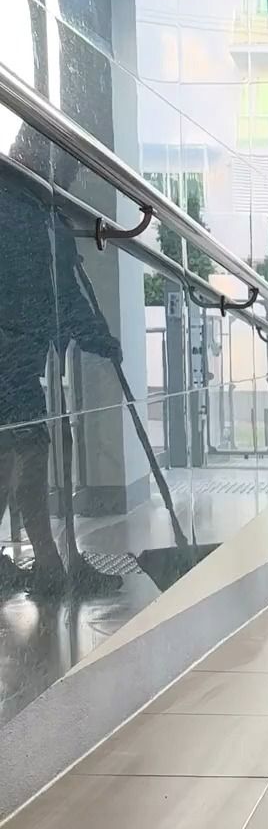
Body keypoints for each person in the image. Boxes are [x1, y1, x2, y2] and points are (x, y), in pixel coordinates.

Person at [0, 130, 124, 598]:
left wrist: (96, 336)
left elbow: (62, 292)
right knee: (27, 451)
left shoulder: (34, 205)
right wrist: (94, 335)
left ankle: (57, 562)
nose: (69, 178)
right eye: (65, 168)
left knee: (23, 451)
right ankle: (54, 565)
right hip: (9, 353)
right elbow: (41, 292)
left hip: (22, 355)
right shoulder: (16, 204)